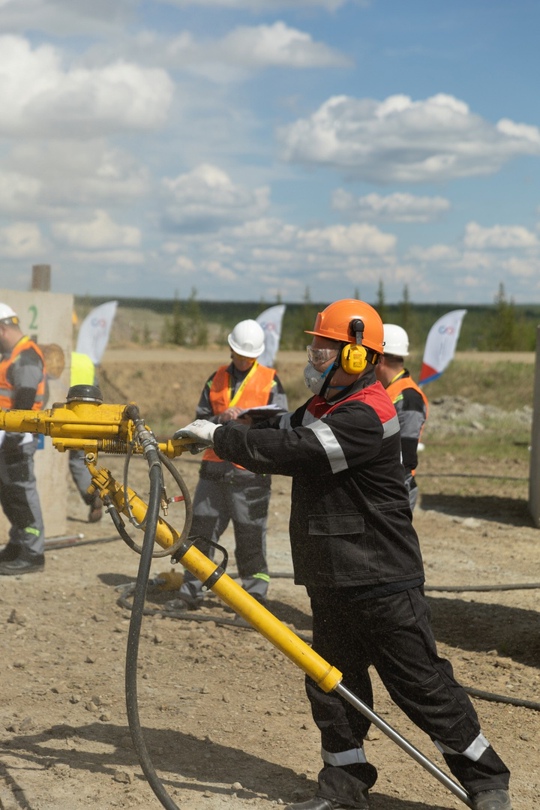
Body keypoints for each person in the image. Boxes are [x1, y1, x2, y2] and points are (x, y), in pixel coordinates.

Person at [174, 299, 512, 810]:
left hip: (380, 577)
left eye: (322, 347)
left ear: (357, 358)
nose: (312, 355)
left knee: (420, 685)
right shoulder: (322, 407)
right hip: (332, 576)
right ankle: (343, 788)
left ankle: (487, 782)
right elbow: (282, 430)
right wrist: (228, 426)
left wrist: (221, 437)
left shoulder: (369, 412)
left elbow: (299, 450)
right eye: (313, 345)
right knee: (331, 688)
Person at [175, 318, 288, 609]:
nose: (243, 360)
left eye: (249, 356)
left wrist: (252, 422)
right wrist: (221, 419)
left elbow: (282, 426)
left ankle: (253, 599)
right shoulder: (216, 379)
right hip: (214, 469)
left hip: (250, 474)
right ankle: (191, 590)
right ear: (230, 349)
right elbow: (199, 419)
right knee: (200, 532)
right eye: (239, 354)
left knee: (250, 537)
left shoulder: (271, 381)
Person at [0, 303, 46, 575]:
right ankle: (17, 544)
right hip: (8, 438)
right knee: (10, 494)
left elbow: (25, 405)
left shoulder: (26, 357)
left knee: (22, 494)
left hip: (17, 438)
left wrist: (13, 436)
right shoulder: (11, 356)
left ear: (2, 328)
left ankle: (32, 552)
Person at [375, 324, 428, 511]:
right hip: (383, 484)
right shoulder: (388, 391)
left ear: (379, 359)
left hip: (394, 487)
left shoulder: (408, 398)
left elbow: (406, 457)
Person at [69, 351, 103, 522]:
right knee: (78, 460)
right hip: (85, 417)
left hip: (62, 417)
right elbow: (96, 391)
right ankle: (91, 495)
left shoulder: (55, 358)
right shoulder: (85, 360)